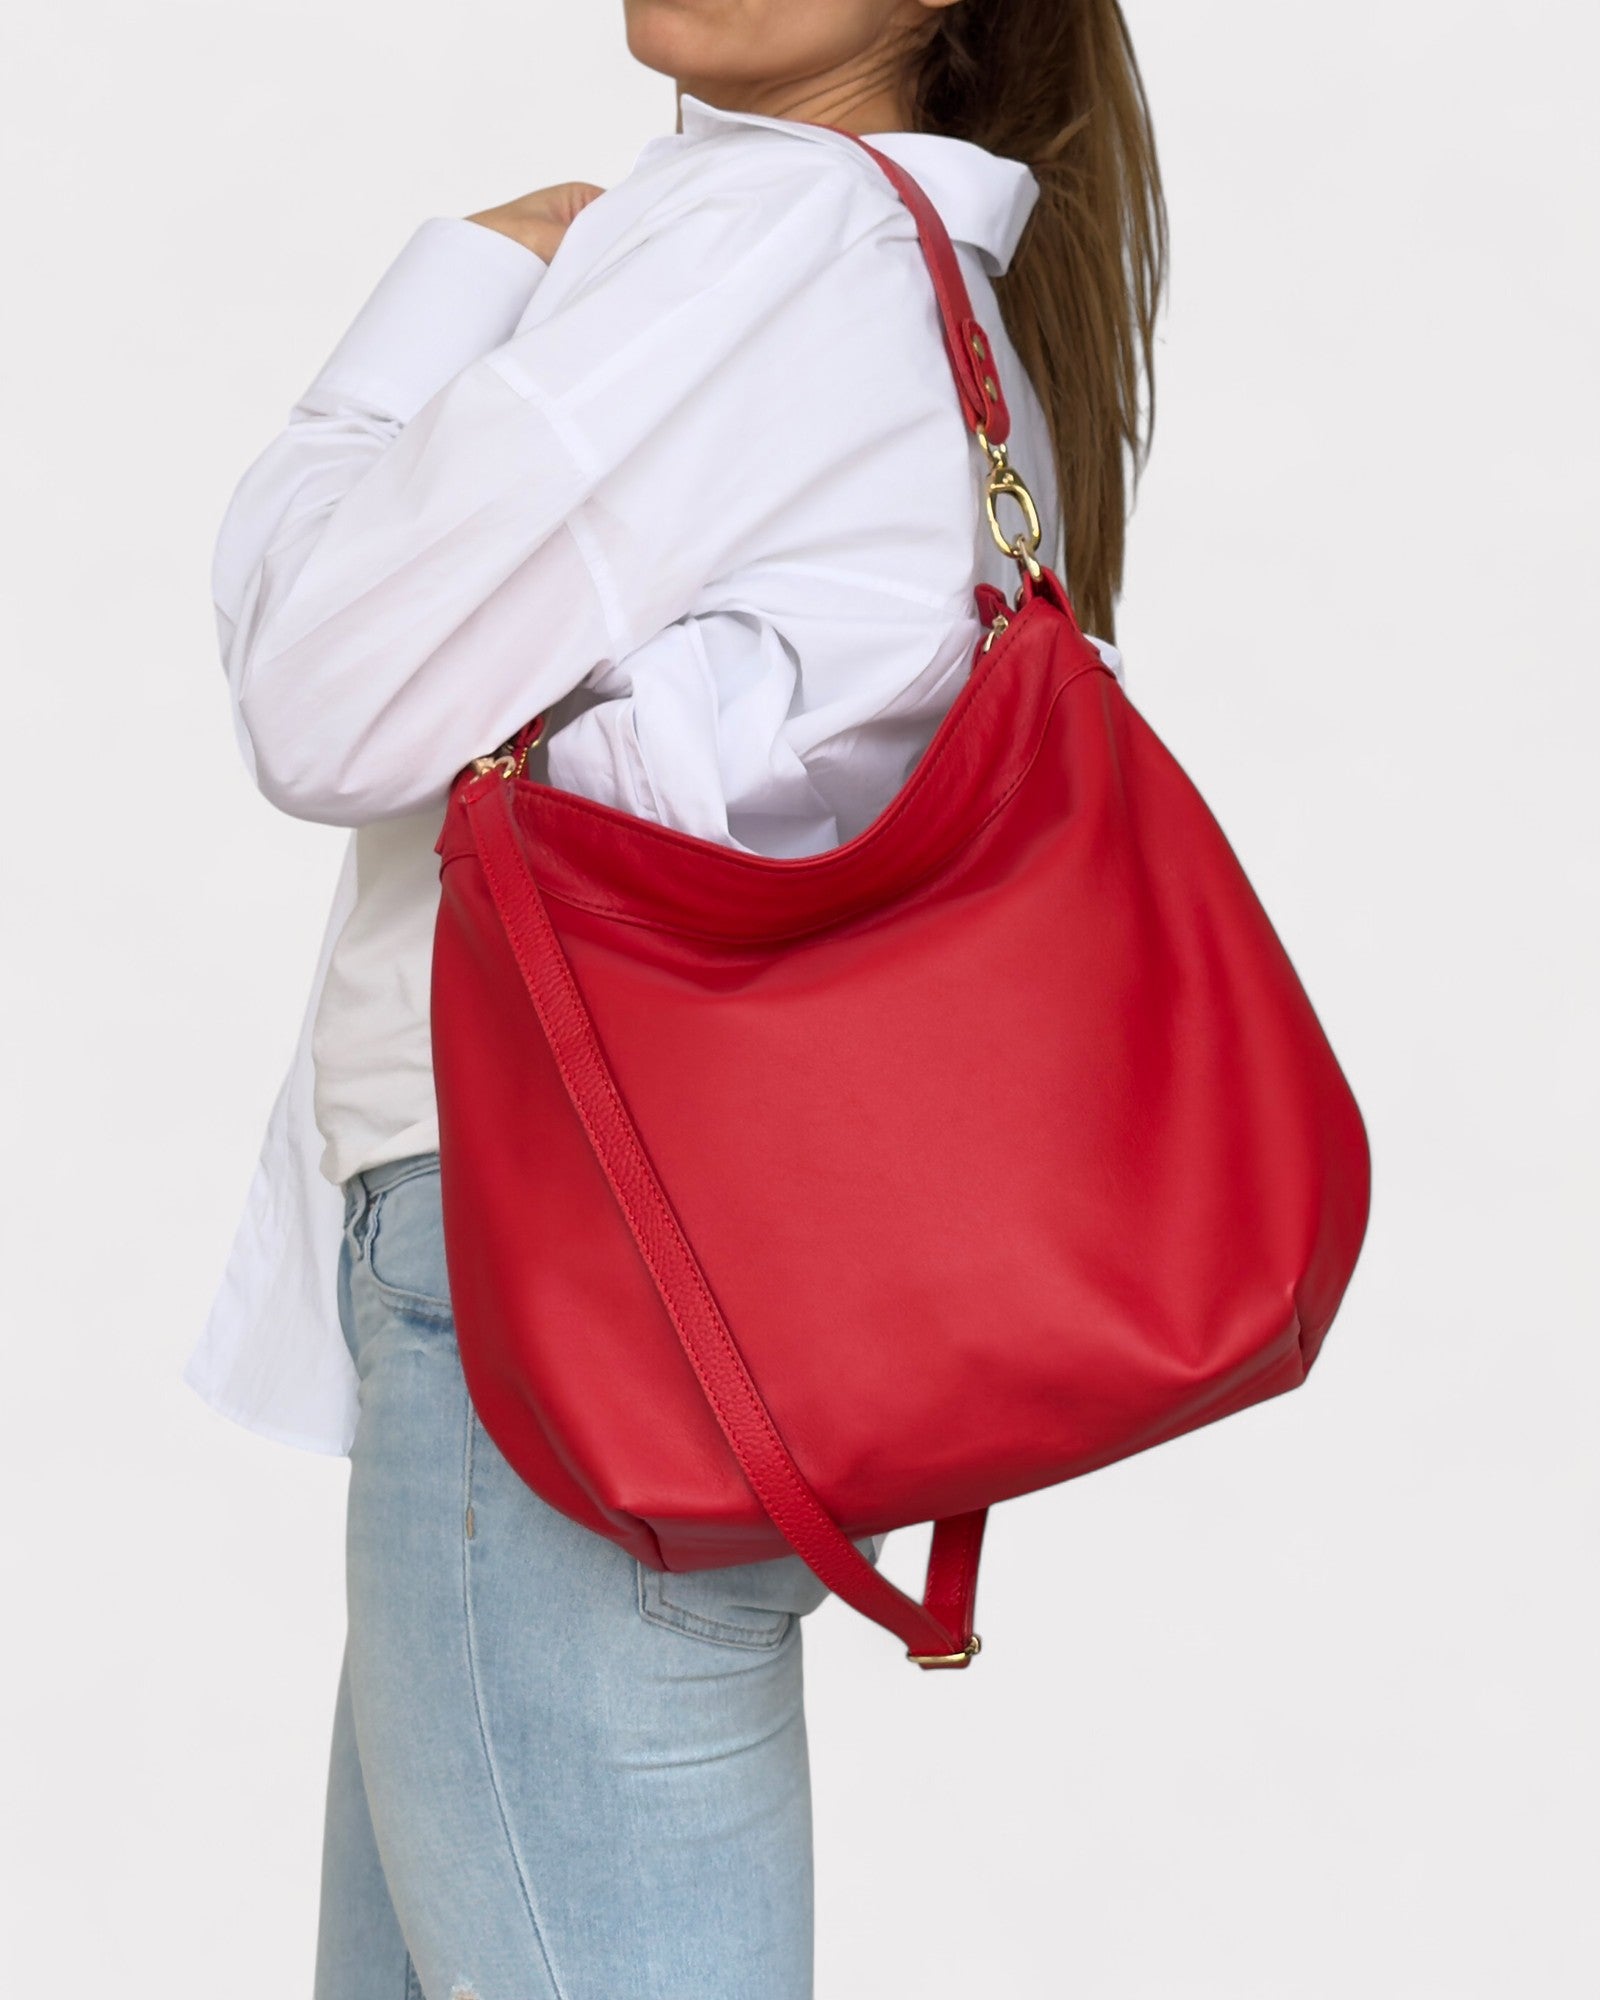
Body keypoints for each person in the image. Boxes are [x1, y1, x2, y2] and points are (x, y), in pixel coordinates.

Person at [187, 2, 1164, 1993]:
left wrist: (443, 297)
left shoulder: (765, 251)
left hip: (560, 1287)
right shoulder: (924, 287)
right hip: (647, 1297)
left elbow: (314, 690)